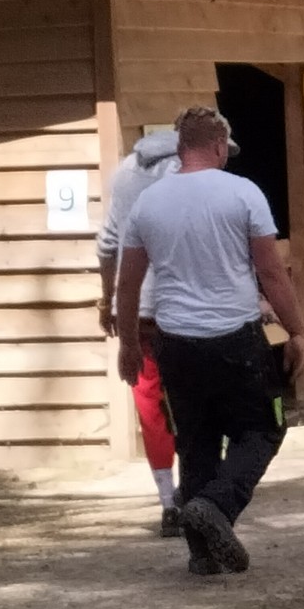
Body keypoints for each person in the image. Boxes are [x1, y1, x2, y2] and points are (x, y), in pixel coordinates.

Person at [115, 107, 304, 576]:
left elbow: (128, 283)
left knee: (196, 440)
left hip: (175, 342)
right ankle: (217, 506)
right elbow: (270, 272)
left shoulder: (150, 203)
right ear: (220, 145)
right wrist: (298, 330)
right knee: (264, 428)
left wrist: (128, 344)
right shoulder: (243, 193)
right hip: (237, 337)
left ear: (181, 146)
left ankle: (201, 553)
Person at [97, 129, 191, 536]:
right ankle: (198, 491)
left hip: (138, 311)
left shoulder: (123, 175)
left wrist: (107, 301)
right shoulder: (190, 176)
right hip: (187, 309)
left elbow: (107, 245)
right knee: (195, 400)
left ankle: (168, 502)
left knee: (150, 405)